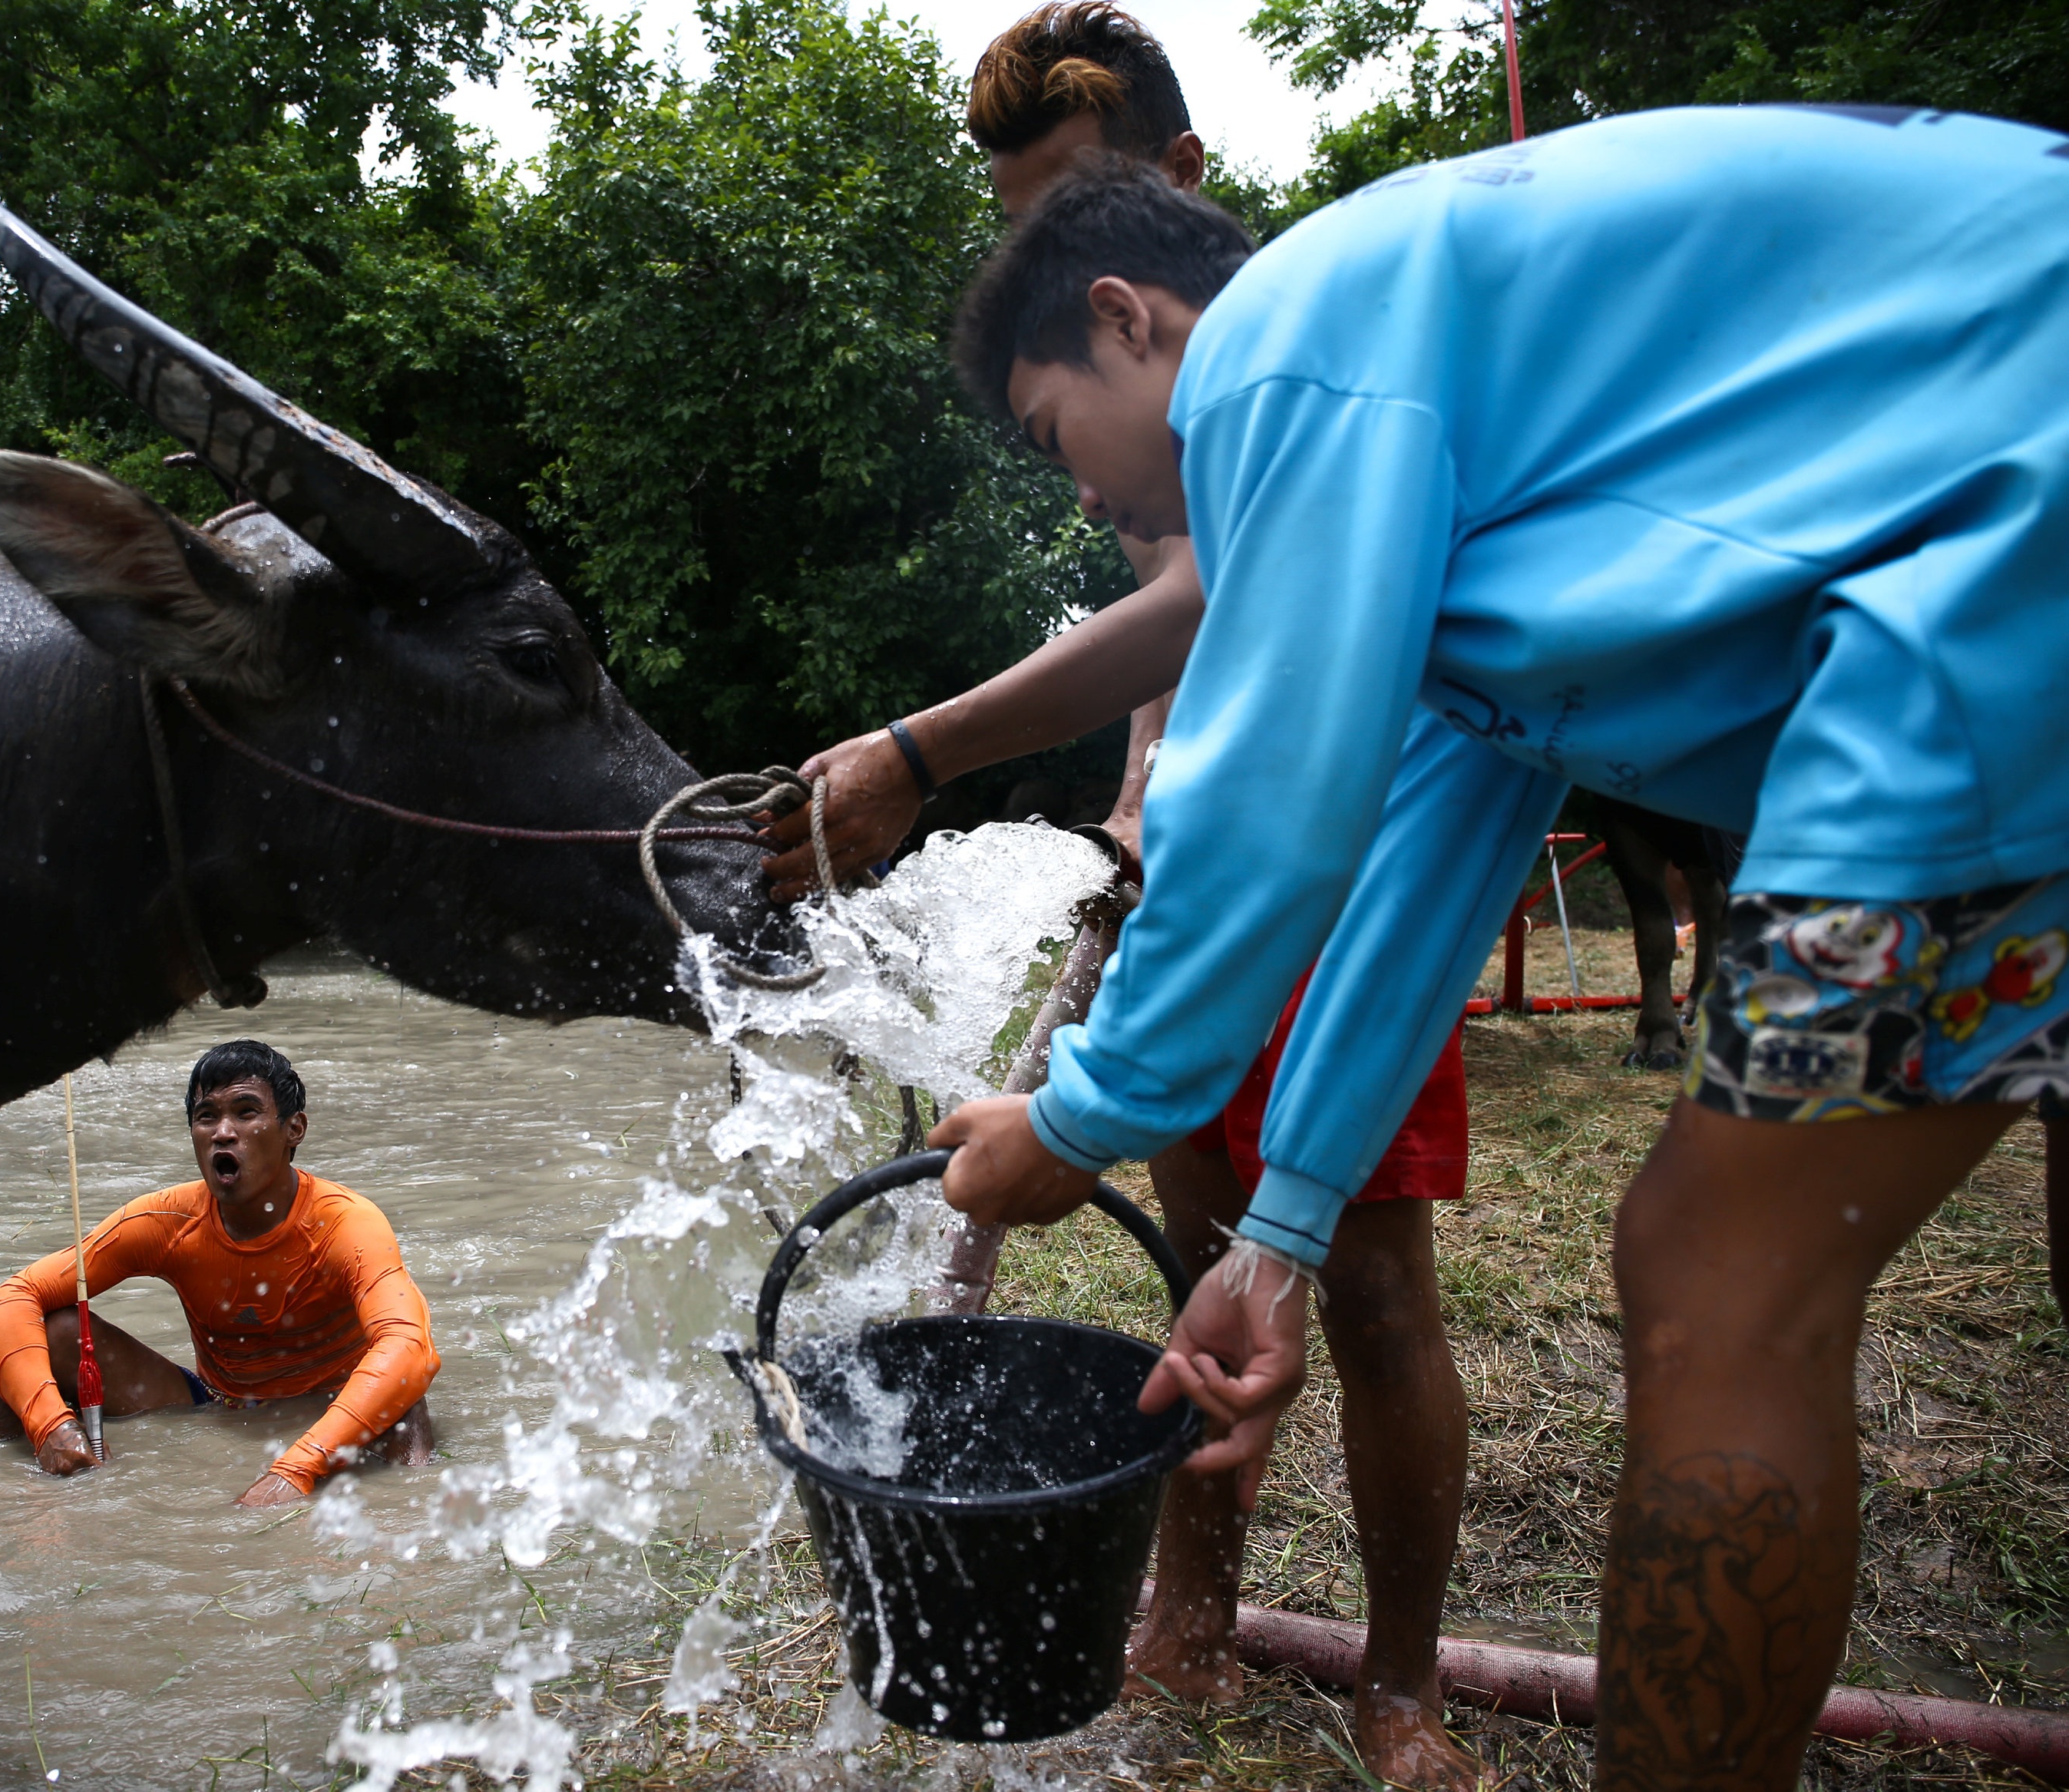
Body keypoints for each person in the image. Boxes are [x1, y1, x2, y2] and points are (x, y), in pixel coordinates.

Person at [936, 117, 2069, 1790]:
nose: (1091, 495)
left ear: (1129, 317)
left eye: (1056, 437)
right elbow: (1435, 842)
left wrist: (1078, 1117)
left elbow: (1271, 800)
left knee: (1715, 1279)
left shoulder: (1281, 344)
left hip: (2004, 561)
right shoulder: (1475, 433)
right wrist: (1281, 1233)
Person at [766, 9, 1481, 1783]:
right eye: (1017, 221)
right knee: (1207, 1235)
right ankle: (1188, 1609)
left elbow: (1240, 622)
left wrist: (922, 751)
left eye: (1066, 216)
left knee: (1369, 1284)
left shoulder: (1298, 343)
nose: (1041, 258)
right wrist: (1131, 791)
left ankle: (1400, 1680)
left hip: (1342, 846)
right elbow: (1182, 616)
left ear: (1168, 207)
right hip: (1186, 860)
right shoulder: (1165, 393)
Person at [0, 1040, 438, 1506]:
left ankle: (408, 1512)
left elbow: (408, 1347)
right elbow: (11, 1299)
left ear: (294, 1129)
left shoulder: (345, 1222)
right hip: (218, 1401)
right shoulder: (167, 1221)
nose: (223, 1132)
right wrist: (50, 1425)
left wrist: (296, 1469)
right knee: (54, 1337)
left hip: (335, 1407)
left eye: (246, 1112)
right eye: (206, 1116)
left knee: (405, 1400)